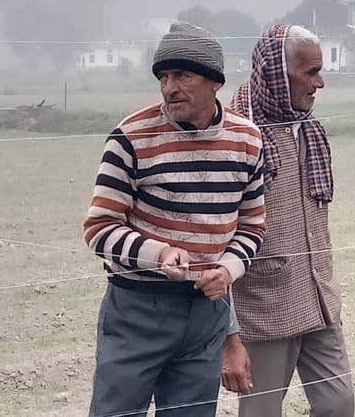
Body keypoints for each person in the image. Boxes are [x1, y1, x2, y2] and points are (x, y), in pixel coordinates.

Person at [83, 21, 266, 417]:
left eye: (182, 75)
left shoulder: (248, 140)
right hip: (137, 308)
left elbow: (252, 226)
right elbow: (99, 228)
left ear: (215, 81)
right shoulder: (130, 137)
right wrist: (159, 254)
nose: (169, 88)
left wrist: (228, 269)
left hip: (206, 312)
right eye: (163, 77)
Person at [223, 24, 355, 417]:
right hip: (264, 304)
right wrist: (229, 332)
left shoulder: (309, 129)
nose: (320, 83)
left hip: (318, 296)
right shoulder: (235, 134)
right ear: (277, 75)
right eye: (310, 72)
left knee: (338, 404)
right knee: (261, 412)